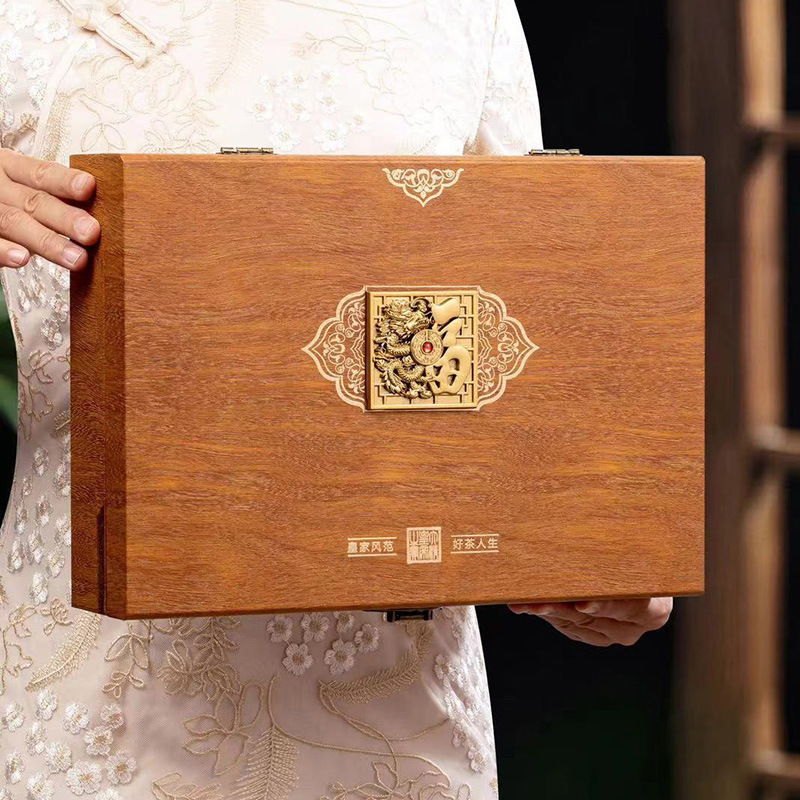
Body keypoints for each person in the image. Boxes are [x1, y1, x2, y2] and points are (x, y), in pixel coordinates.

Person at [0, 1, 672, 796]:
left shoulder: (464, 11)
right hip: (102, 694)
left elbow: (522, 307)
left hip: (397, 711)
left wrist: (594, 551)